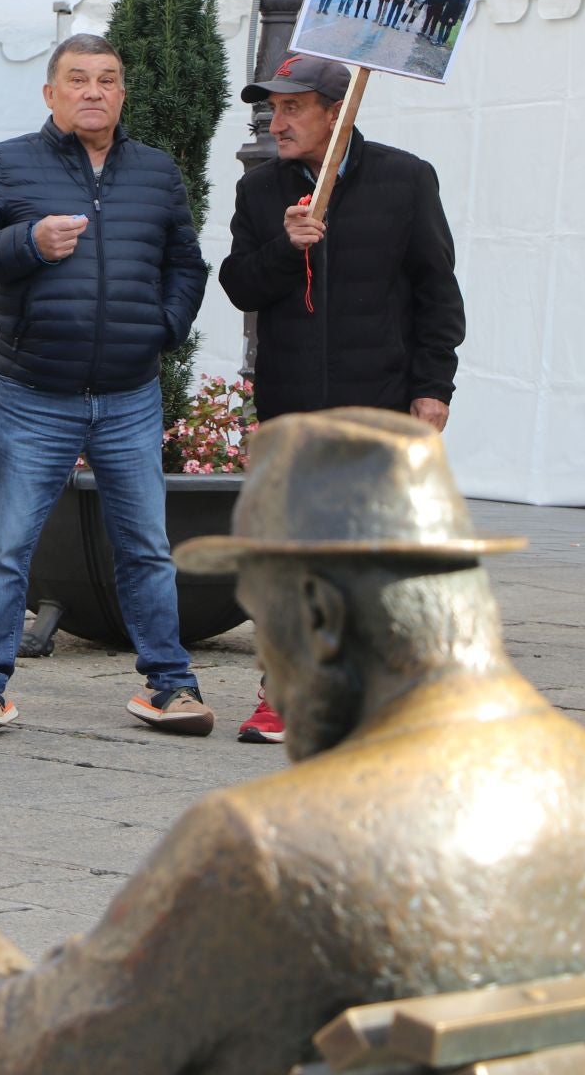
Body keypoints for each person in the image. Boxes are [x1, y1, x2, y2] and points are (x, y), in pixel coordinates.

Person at [0, 408, 585, 1075]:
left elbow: (38, 1051)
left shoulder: (269, 848)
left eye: (267, 629)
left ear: (325, 620)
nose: (271, 671)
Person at [0, 34, 212, 738]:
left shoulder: (155, 171)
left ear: (123, 93)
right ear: (51, 93)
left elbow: (187, 264)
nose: (94, 91)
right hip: (35, 395)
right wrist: (28, 244)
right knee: (6, 547)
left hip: (130, 394)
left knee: (147, 545)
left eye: (109, 79)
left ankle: (170, 686)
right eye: (78, 79)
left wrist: (164, 328)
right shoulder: (5, 165)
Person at [218, 53, 464, 745]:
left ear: (339, 111)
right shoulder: (262, 190)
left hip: (379, 400)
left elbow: (437, 295)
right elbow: (240, 285)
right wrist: (283, 246)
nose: (277, 119)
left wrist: (431, 389)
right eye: (272, 107)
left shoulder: (404, 179)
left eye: (294, 107)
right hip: (291, 404)